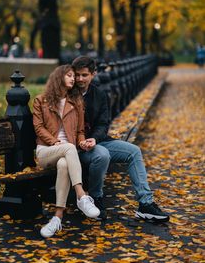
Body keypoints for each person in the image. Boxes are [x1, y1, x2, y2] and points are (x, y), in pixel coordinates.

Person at [71, 56, 170, 222]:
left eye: (84, 75)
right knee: (101, 154)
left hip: (97, 142)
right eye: (77, 75)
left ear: (93, 74)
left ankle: (145, 204)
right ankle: (95, 198)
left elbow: (103, 124)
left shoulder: (100, 95)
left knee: (133, 151)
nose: (80, 79)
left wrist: (94, 139)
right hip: (75, 148)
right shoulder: (67, 93)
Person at [33, 65, 100, 238]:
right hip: (45, 151)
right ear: (58, 77)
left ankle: (57, 218)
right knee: (69, 148)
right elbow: (38, 127)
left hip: (66, 155)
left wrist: (82, 142)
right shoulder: (41, 100)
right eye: (69, 75)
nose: (74, 78)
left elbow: (79, 132)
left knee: (64, 164)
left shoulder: (76, 102)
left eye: (74, 76)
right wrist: (54, 141)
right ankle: (82, 196)